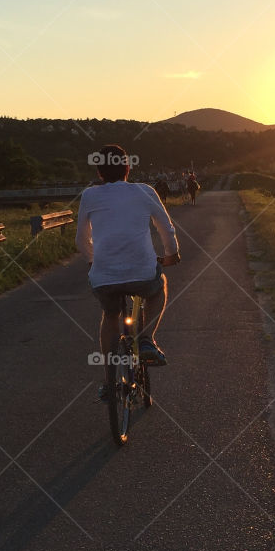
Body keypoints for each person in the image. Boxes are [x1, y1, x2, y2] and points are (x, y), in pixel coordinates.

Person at [76, 144, 180, 402]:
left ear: (99, 172)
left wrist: (93, 261)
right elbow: (165, 227)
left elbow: (81, 239)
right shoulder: (145, 191)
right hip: (142, 273)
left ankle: (109, 382)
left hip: (104, 276)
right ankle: (146, 340)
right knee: (158, 287)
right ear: (128, 167)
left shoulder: (89, 195)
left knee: (110, 316)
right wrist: (171, 254)